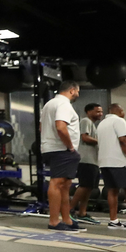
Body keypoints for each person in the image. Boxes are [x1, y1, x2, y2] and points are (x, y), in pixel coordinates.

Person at [40, 80, 82, 231]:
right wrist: (70, 146)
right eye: (77, 91)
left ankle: (66, 220)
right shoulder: (64, 104)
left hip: (51, 148)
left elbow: (41, 127)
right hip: (61, 150)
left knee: (65, 186)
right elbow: (60, 126)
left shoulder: (48, 104)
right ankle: (54, 221)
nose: (78, 94)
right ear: (72, 90)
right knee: (57, 183)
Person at [71, 102, 103, 224]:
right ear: (89, 112)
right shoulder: (85, 121)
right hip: (86, 160)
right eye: (97, 111)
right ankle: (69, 210)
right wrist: (101, 141)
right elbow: (84, 137)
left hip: (93, 161)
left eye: (101, 111)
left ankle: (82, 213)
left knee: (89, 188)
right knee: (84, 186)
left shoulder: (93, 125)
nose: (100, 113)